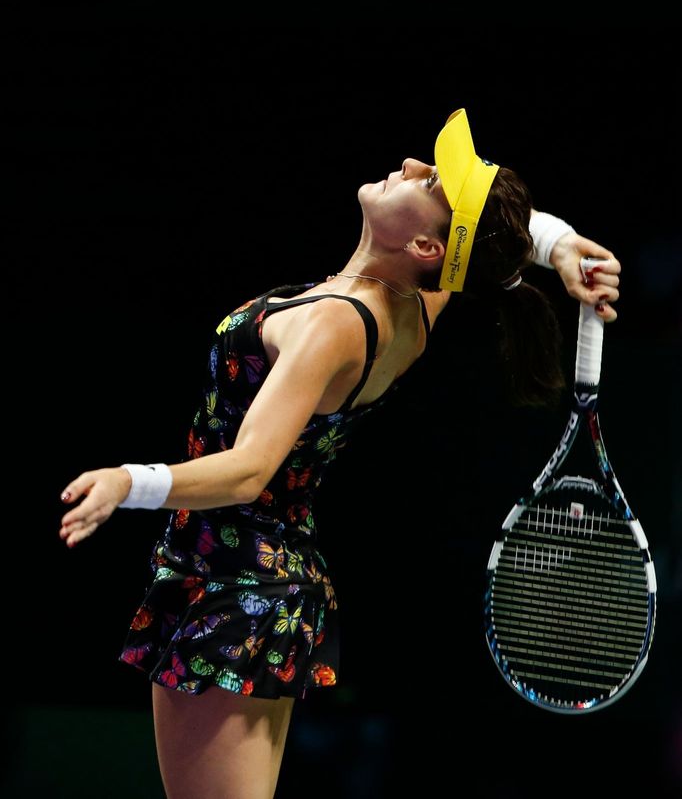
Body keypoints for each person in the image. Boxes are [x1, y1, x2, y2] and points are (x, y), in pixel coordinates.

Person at [59, 108, 620, 799]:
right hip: (262, 579)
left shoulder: (334, 323)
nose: (414, 163)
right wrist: (558, 244)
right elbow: (494, 244)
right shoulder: (416, 303)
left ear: (422, 244)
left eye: (435, 182)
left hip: (232, 588)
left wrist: (129, 481)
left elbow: (247, 470)